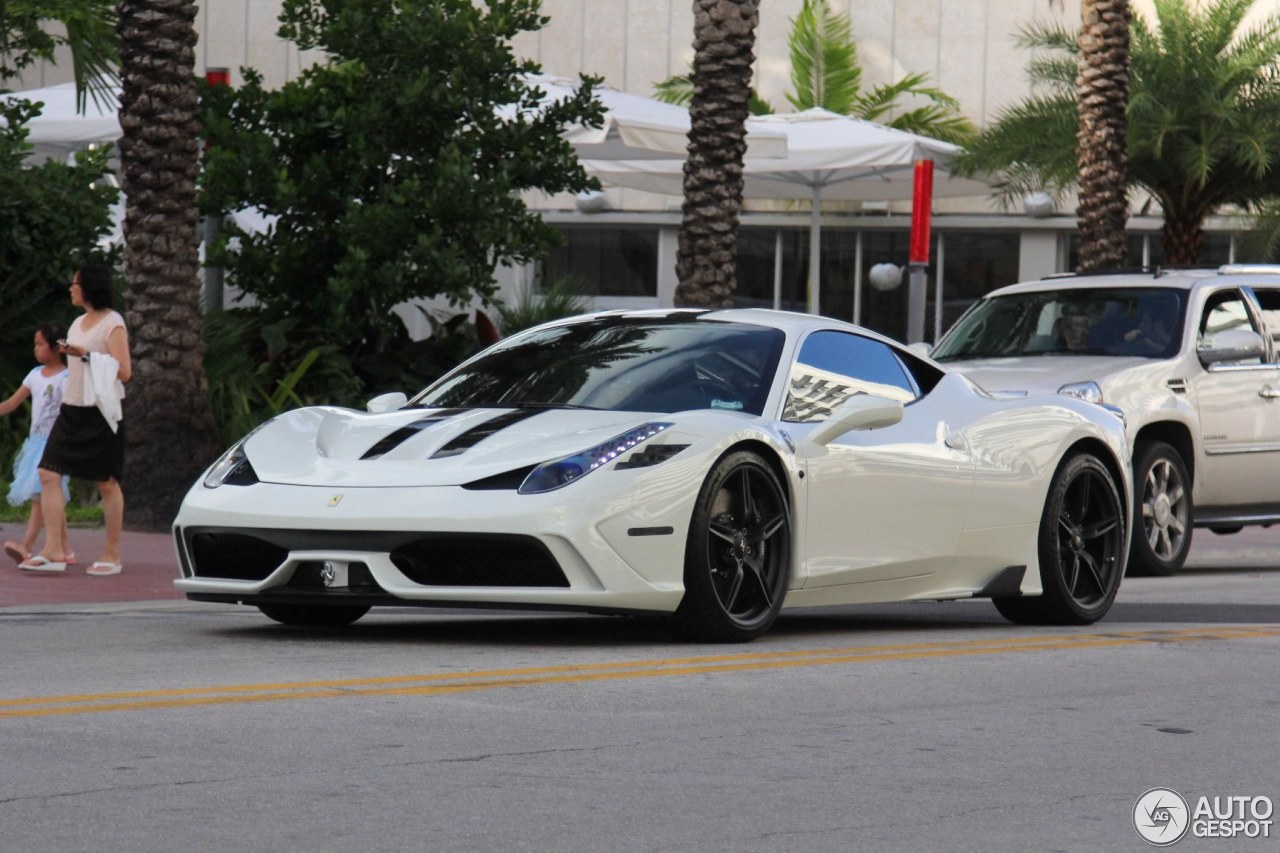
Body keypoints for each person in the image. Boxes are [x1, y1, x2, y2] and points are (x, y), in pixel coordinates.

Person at [21, 264, 131, 575]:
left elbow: (124, 371)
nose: (70, 288)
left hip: (100, 411)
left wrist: (85, 354)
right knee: (47, 473)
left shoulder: (113, 323)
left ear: (88, 287)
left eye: (75, 283)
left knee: (106, 483)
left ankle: (112, 554)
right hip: (72, 407)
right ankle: (54, 549)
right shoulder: (77, 323)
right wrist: (75, 351)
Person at [1, 323, 73, 567]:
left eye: (40, 344)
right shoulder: (34, 375)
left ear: (56, 348)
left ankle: (27, 546)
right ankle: (65, 549)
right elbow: (12, 403)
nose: (36, 349)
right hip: (35, 444)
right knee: (50, 498)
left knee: (41, 498)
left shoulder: (67, 377)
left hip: (56, 443)